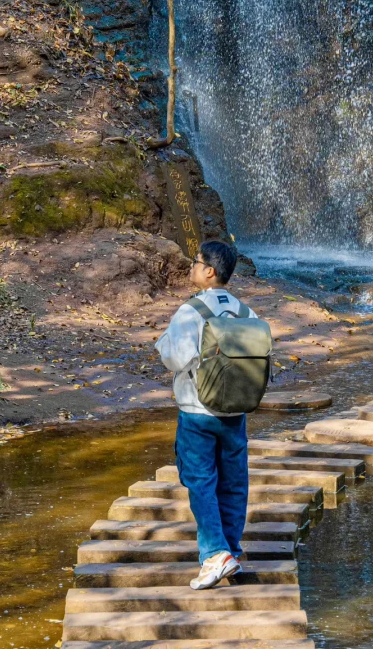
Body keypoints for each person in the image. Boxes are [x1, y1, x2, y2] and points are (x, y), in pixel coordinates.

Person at [155, 238, 250, 590]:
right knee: (233, 483)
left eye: (196, 262)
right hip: (235, 412)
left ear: (210, 271)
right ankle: (231, 551)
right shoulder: (244, 311)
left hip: (198, 410)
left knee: (200, 481)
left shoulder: (192, 311)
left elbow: (174, 358)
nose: (191, 267)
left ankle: (214, 554)